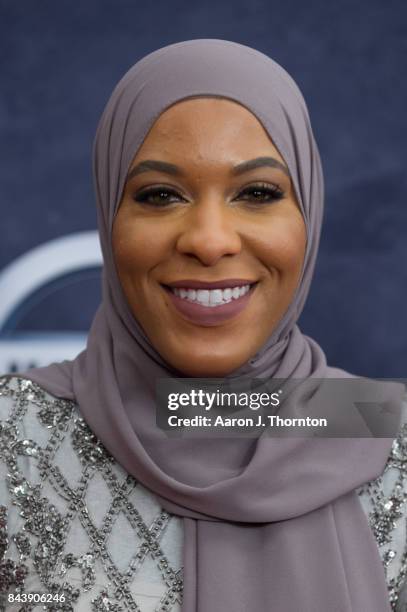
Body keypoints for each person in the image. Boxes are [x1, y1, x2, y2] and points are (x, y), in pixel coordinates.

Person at [1, 38, 406, 612]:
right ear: (108, 216)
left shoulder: (380, 429)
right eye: (161, 195)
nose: (210, 240)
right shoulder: (12, 438)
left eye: (257, 193)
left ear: (308, 214)